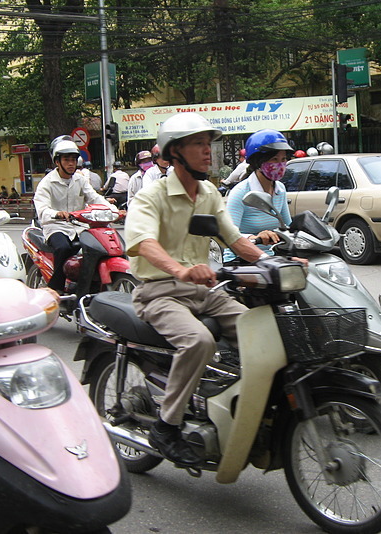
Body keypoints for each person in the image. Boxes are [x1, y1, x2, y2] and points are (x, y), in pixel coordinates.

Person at [124, 112, 269, 467]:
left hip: (206, 289)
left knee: (261, 330)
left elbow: (233, 238)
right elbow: (143, 241)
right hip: (158, 291)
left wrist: (275, 263)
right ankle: (166, 425)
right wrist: (180, 270)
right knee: (198, 341)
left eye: (209, 144)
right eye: (199, 144)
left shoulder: (207, 192)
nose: (208, 152)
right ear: (176, 152)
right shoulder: (151, 195)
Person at [33, 137, 117, 292]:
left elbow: (94, 197)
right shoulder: (47, 183)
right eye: (66, 160)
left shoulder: (80, 179)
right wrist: (57, 213)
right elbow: (42, 209)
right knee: (64, 248)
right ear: (57, 162)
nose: (71, 163)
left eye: (73, 160)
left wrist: (113, 210)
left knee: (96, 247)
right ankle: (55, 288)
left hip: (79, 226)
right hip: (55, 227)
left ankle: (88, 285)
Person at [224, 129, 293, 262]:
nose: (280, 164)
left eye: (283, 159)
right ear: (258, 162)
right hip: (242, 261)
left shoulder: (280, 189)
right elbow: (229, 236)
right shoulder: (241, 192)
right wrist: (253, 237)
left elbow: (287, 226)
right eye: (274, 159)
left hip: (274, 259)